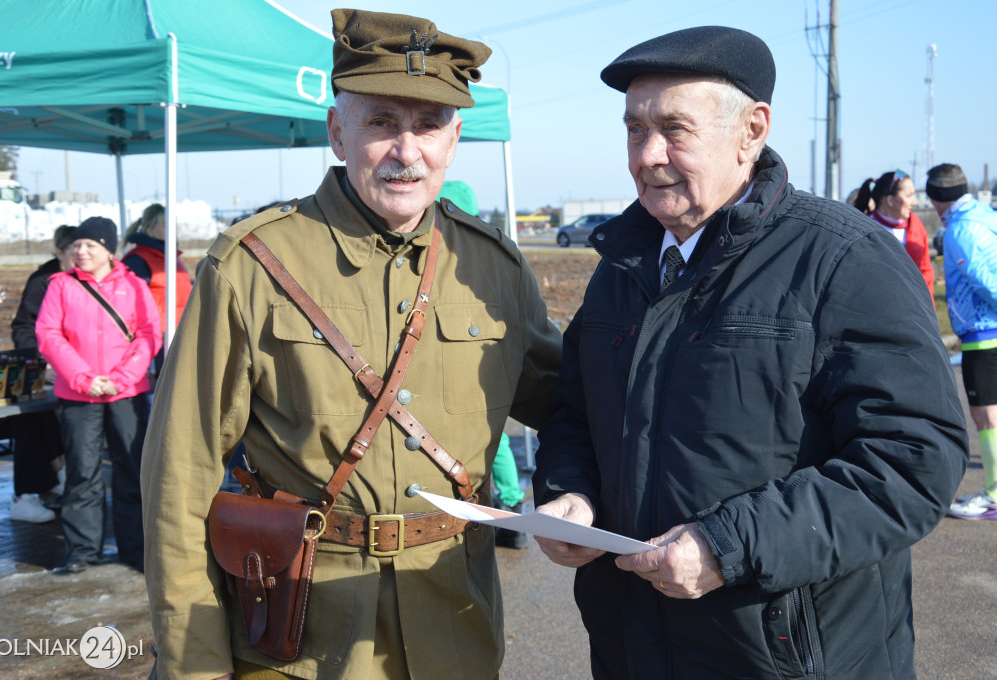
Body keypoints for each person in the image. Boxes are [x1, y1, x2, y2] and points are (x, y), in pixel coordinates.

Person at [531, 26, 968, 680]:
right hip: (634, 647)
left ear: (752, 130)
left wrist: (730, 545)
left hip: (790, 655)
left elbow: (915, 458)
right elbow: (574, 412)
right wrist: (569, 491)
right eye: (633, 130)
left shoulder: (844, 261)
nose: (647, 155)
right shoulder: (620, 269)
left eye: (674, 129)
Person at [141, 9, 561, 680]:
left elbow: (569, 406)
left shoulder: (495, 269)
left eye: (428, 126)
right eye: (381, 123)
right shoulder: (251, 263)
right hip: (296, 634)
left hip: (456, 623)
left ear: (454, 141)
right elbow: (179, 473)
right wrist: (194, 657)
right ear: (338, 132)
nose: (406, 150)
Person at [36, 216, 161, 574]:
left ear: (108, 249)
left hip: (126, 393)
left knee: (131, 469)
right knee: (82, 472)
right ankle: (81, 551)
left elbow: (149, 335)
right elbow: (49, 334)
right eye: (77, 245)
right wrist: (82, 378)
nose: (81, 251)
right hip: (78, 395)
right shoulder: (60, 286)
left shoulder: (134, 285)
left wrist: (121, 378)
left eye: (90, 245)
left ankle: (135, 548)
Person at [437, 179, 529, 549]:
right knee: (494, 434)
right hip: (488, 362)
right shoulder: (489, 252)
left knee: (486, 435)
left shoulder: (456, 254)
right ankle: (510, 504)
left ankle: (503, 507)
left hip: (469, 365)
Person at [928, 163, 997, 519]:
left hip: (983, 334)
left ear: (937, 200)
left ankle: (995, 494)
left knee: (985, 415)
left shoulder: (960, 230)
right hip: (987, 331)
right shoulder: (985, 214)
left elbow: (985, 279)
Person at [8, 224, 77, 523]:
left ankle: (56, 479)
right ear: (60, 252)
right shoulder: (43, 280)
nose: (80, 255)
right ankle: (36, 488)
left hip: (80, 368)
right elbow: (24, 327)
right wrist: (40, 364)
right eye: (73, 250)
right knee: (35, 415)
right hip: (48, 367)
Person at [121, 203, 193, 376]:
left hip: (180, 330)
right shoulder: (137, 260)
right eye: (165, 226)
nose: (171, 231)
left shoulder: (171, 258)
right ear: (149, 228)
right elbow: (129, 302)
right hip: (157, 336)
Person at [853, 170, 934, 298]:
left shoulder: (916, 226)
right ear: (890, 200)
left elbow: (925, 270)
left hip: (914, 305)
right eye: (909, 196)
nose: (914, 202)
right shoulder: (864, 230)